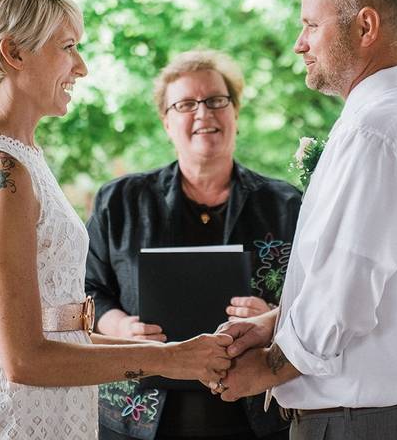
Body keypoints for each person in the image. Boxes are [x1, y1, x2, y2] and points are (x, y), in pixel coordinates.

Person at [0, 0, 233, 440]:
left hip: (55, 408)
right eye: (68, 47)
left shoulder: (22, 156)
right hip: (14, 419)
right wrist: (171, 360)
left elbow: (58, 326)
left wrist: (180, 352)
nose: (82, 67)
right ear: (14, 53)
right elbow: (25, 359)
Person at [208, 0, 397, 440]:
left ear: (366, 26)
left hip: (367, 426)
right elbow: (378, 285)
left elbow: (345, 295)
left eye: (311, 25)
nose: (299, 44)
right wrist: (278, 322)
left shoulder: (378, 132)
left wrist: (269, 367)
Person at [85, 49, 302, 440]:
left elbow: (319, 300)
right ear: (166, 122)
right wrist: (118, 326)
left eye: (216, 100)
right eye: (185, 104)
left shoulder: (287, 204)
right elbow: (87, 290)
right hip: (137, 414)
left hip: (256, 417)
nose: (203, 113)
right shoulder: (119, 201)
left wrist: (272, 315)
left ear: (235, 111)